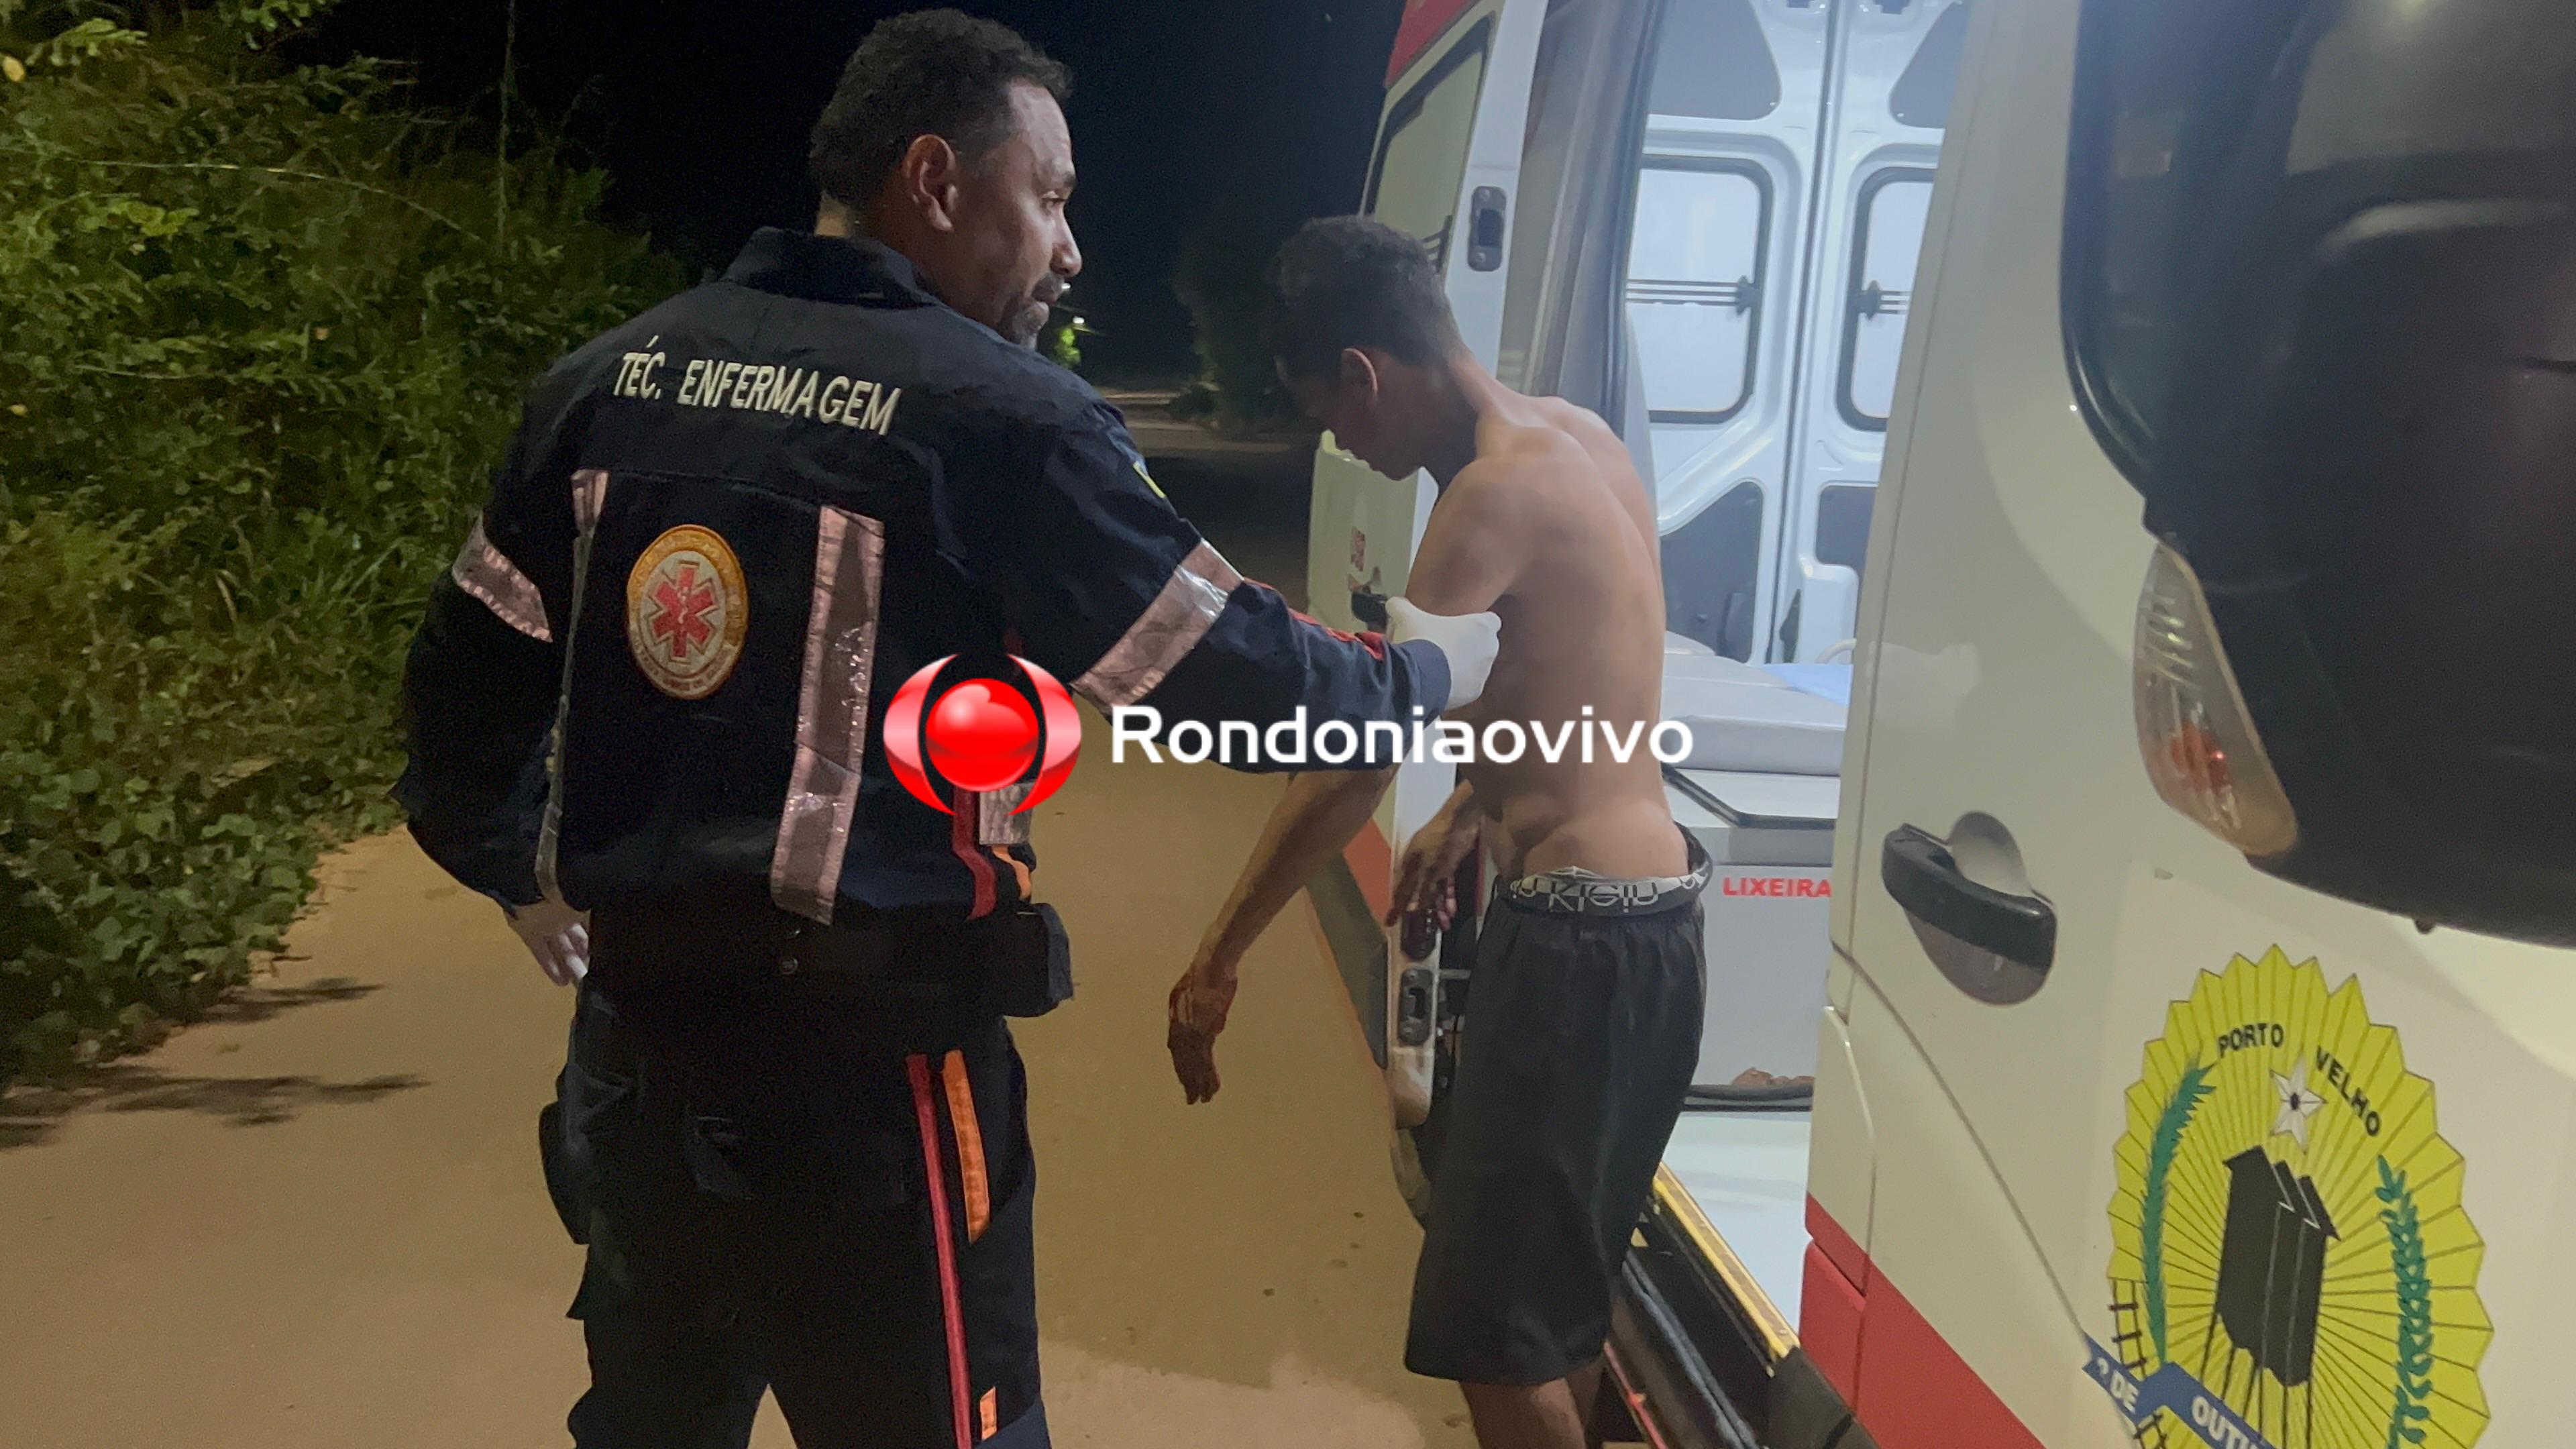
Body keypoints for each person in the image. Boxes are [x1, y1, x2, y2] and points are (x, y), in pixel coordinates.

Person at [396, 17, 1500, 1448]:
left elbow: (459, 696)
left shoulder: (605, 387)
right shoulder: (999, 418)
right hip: (869, 1095)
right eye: (1049, 198)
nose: (1071, 249)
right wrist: (1431, 668)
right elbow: (1242, 684)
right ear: (933, 181)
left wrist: (522, 875)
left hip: (636, 1068)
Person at [1165, 216, 1705, 1449]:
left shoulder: (1484, 502)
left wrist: (1218, 956)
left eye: (1331, 415)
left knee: (1490, 1337)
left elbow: (1354, 758)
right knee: (1556, 1310)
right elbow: (1599, 672)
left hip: (1574, 946)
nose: (1342, 444)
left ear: (1364, 373)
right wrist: (1470, 808)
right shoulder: (1585, 443)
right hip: (1658, 926)